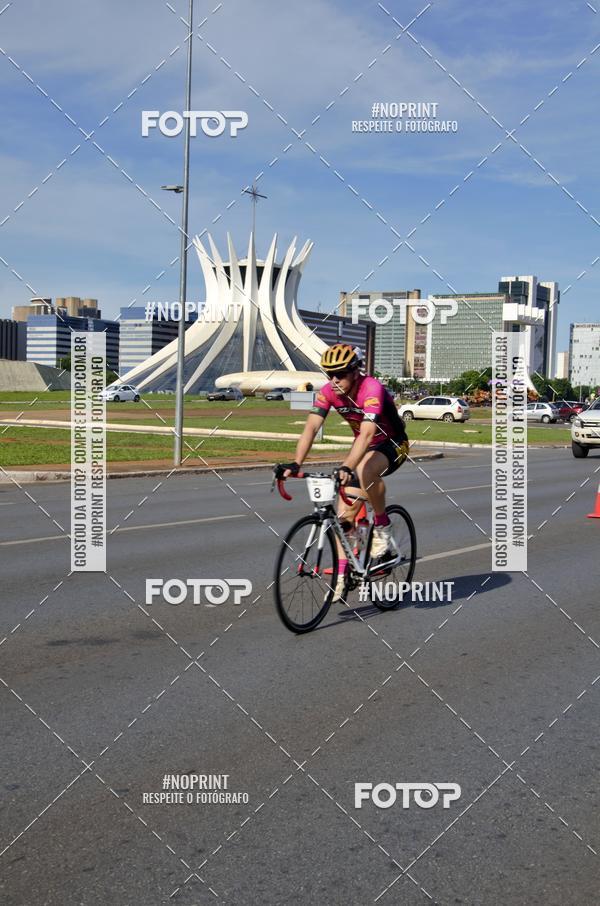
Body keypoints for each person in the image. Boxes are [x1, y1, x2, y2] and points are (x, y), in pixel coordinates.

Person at [280, 343, 409, 601]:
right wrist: (295, 463)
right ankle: (342, 573)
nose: (334, 380)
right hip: (363, 447)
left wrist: (348, 466)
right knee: (343, 517)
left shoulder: (371, 389)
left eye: (340, 374)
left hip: (392, 443)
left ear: (355, 372)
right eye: (330, 375)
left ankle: (383, 528)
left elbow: (369, 433)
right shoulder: (328, 392)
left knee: (363, 469)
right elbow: (311, 428)